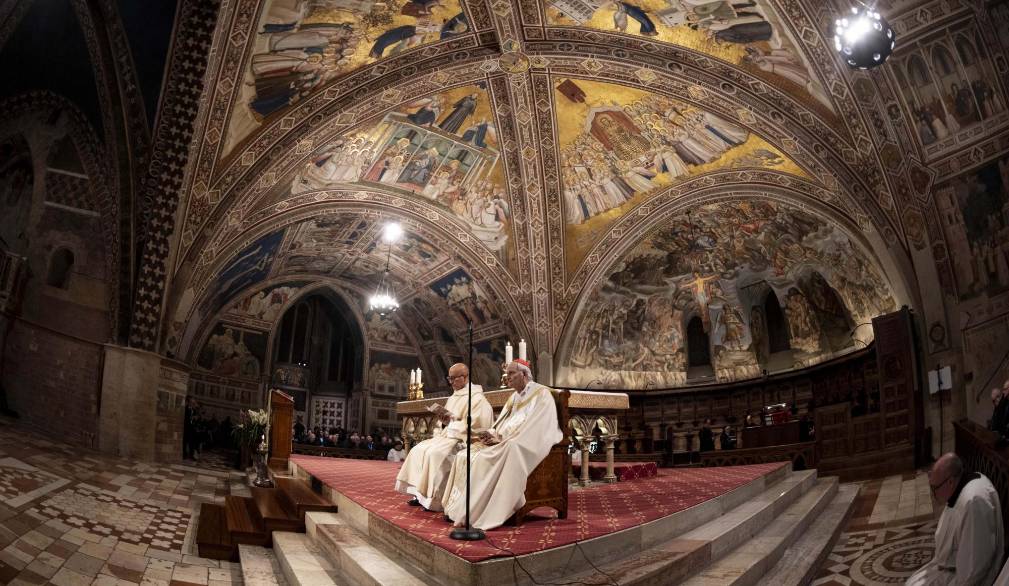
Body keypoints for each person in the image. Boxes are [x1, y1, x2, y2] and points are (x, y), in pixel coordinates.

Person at [443, 359, 564, 530]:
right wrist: (491, 435)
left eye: (512, 374)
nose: (508, 378)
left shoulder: (541, 394)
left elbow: (540, 425)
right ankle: (462, 510)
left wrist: (507, 439)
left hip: (528, 442)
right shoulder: (513, 397)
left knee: (500, 452)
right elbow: (502, 424)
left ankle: (484, 510)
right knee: (467, 454)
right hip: (506, 440)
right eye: (507, 374)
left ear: (524, 373)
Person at [394, 363, 493, 511]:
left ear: (465, 377)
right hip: (448, 436)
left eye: (454, 378)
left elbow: (478, 426)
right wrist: (446, 421)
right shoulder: (454, 396)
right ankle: (419, 496)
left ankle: (434, 501)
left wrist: (454, 424)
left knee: (435, 454)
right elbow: (448, 421)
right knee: (418, 449)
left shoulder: (477, 399)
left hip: (463, 440)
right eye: (449, 378)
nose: (451, 382)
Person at [905, 453, 1003, 586]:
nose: (933, 494)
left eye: (934, 488)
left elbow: (973, 571)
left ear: (950, 481)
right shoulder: (958, 489)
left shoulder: (973, 502)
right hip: (952, 569)